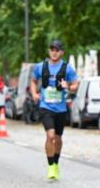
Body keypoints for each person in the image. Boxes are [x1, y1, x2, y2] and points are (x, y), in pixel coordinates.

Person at [30, 40, 78, 180]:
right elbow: (33, 81)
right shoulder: (41, 66)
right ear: (49, 51)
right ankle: (51, 166)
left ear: (62, 52)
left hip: (61, 108)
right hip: (46, 107)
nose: (54, 52)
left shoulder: (67, 68)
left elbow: (75, 85)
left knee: (58, 138)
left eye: (57, 50)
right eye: (52, 49)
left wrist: (67, 86)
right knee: (50, 136)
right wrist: (34, 94)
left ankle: (56, 162)